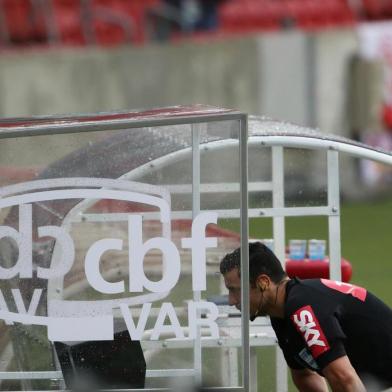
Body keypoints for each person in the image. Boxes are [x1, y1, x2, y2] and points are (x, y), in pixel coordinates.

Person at [219, 242, 392, 392]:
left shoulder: (302, 308)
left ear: (263, 283)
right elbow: (304, 375)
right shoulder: (282, 312)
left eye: (235, 289)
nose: (231, 300)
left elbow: (343, 379)